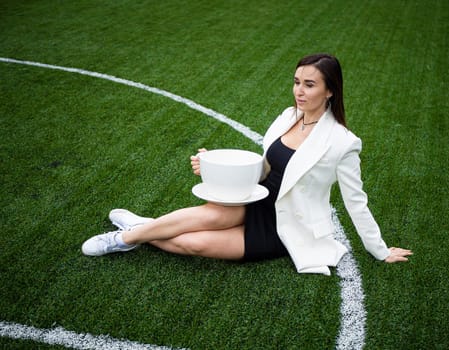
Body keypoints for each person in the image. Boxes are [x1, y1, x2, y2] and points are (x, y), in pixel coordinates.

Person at [82, 53, 412, 275]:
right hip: (251, 198)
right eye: (297, 82)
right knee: (210, 214)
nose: (299, 91)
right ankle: (123, 241)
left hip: (283, 225)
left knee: (193, 242)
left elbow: (356, 201)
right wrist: (212, 166)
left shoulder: (343, 141)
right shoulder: (288, 116)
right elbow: (264, 166)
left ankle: (142, 228)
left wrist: (379, 249)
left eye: (309, 85)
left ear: (329, 91)